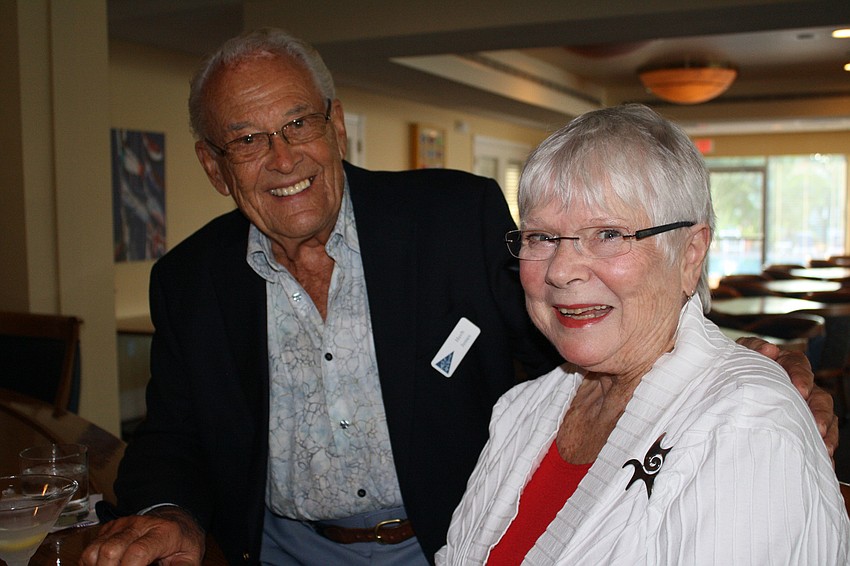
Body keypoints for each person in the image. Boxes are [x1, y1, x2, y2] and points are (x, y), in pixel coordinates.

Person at [82, 29, 835, 566]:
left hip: (434, 536)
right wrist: (165, 514)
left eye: (298, 123)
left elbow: (587, 323)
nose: (283, 158)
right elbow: (173, 432)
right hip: (284, 547)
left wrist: (739, 369)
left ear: (336, 125)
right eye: (246, 140)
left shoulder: (453, 218)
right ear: (214, 167)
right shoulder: (189, 279)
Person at [436, 104, 850, 565]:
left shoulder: (746, 426)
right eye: (541, 237)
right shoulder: (521, 409)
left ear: (691, 253)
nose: (561, 270)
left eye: (609, 234)